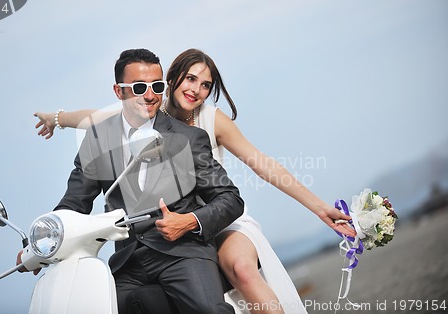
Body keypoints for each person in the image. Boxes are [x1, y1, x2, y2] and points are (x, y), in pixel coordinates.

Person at [35, 49, 356, 314]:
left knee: (241, 270)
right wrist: (54, 118)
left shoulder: (205, 124)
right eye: (191, 79)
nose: (196, 90)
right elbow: (90, 122)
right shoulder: (133, 111)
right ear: (173, 81)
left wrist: (320, 208)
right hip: (142, 243)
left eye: (206, 84)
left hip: (215, 218)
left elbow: (262, 166)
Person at [31, 48, 245, 314]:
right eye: (139, 87)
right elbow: (73, 203)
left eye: (156, 86)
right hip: (128, 262)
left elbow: (230, 199)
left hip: (182, 254)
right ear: (118, 91)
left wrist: (189, 221)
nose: (149, 95)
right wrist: (38, 245)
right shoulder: (98, 140)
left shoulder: (189, 138)